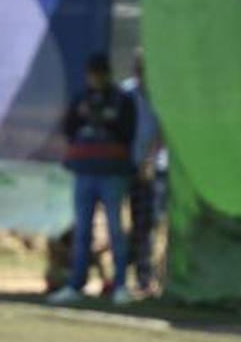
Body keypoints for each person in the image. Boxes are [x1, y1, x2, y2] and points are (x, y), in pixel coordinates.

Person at [47, 53, 137, 306]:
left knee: (116, 231)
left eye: (99, 74)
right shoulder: (81, 97)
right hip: (84, 172)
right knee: (82, 231)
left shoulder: (122, 99)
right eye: (92, 75)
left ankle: (120, 286)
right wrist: (85, 115)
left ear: (107, 74)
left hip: (113, 174)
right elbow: (69, 128)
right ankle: (76, 285)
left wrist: (105, 120)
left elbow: (128, 132)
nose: (95, 80)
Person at [120, 49, 166, 296]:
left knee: (148, 222)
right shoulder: (125, 92)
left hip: (153, 169)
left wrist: (149, 160)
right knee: (138, 224)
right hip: (127, 167)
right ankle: (132, 274)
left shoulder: (161, 94)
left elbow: (163, 131)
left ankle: (142, 275)